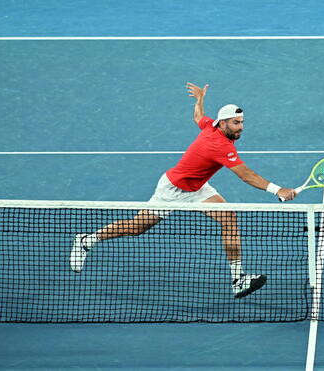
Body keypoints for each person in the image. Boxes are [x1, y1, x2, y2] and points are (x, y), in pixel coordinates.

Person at [69, 82, 297, 299]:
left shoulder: (211, 125)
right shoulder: (219, 145)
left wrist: (199, 100)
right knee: (138, 228)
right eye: (236, 123)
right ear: (224, 122)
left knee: (228, 217)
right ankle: (86, 240)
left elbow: (198, 117)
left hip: (198, 188)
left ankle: (238, 279)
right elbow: (246, 175)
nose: (241, 127)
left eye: (242, 122)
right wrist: (278, 190)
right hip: (173, 190)